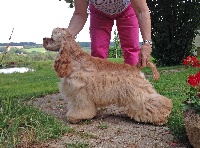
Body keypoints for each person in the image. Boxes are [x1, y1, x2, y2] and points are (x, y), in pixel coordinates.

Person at [67, 0, 152, 69]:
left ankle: (134, 84)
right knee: (98, 52)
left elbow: (142, 11)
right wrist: (66, 37)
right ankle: (99, 86)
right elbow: (79, 14)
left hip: (127, 10)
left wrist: (147, 44)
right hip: (99, 13)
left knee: (132, 51)